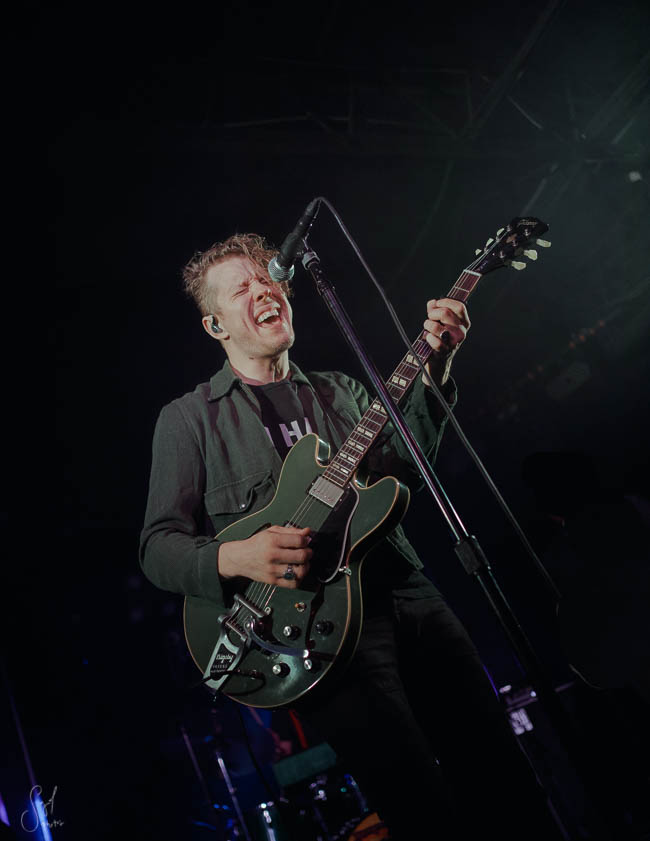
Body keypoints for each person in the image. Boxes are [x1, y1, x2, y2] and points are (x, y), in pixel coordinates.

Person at [140, 232, 562, 840]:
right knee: (419, 803)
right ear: (215, 326)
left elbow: (403, 476)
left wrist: (436, 366)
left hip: (404, 589)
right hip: (313, 629)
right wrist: (236, 556)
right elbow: (158, 546)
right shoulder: (189, 419)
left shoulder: (341, 391)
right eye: (242, 289)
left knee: (501, 770)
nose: (265, 291)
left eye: (270, 279)